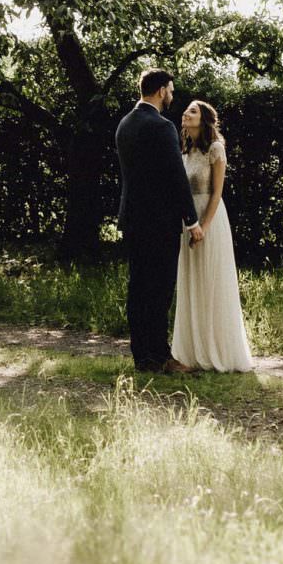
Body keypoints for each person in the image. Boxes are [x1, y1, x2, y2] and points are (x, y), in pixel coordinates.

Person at [115, 70, 203, 374]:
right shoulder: (161, 126)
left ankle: (142, 357)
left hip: (132, 218)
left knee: (138, 288)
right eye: (171, 90)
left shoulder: (125, 124)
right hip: (159, 221)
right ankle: (161, 356)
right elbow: (175, 178)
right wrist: (191, 220)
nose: (173, 96)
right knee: (161, 289)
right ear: (161, 91)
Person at [171, 100, 253, 373]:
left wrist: (204, 226)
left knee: (211, 281)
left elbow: (217, 193)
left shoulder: (215, 149)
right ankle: (193, 351)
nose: (186, 113)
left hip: (210, 220)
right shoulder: (185, 150)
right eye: (186, 110)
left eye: (192, 111)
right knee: (192, 283)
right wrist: (188, 223)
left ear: (205, 119)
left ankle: (219, 350)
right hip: (187, 222)